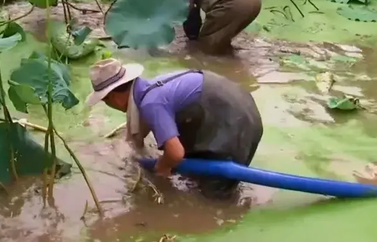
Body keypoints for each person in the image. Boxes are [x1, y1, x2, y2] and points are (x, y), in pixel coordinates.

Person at [86, 58, 263, 199]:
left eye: (105, 100)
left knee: (215, 194)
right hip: (242, 107)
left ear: (113, 97)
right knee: (198, 176)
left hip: (235, 121)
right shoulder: (151, 87)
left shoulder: (151, 103)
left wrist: (161, 168)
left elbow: (176, 153)